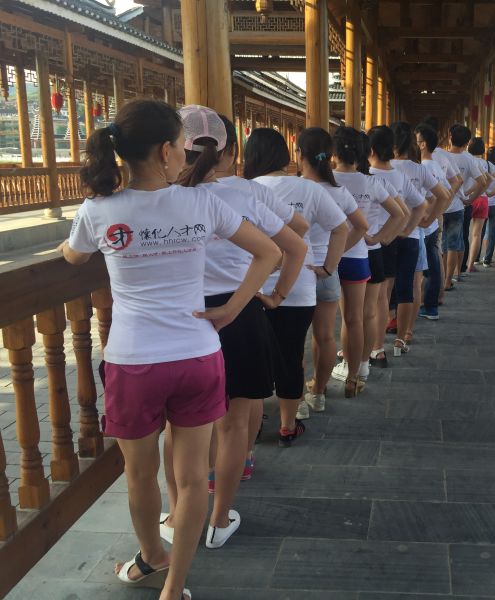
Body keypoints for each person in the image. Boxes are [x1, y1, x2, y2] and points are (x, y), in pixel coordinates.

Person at [59, 99, 280, 600]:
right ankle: (174, 587)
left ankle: (151, 557)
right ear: (164, 151)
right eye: (182, 145)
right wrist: (231, 309)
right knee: (193, 475)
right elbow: (269, 251)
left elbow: (73, 256)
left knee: (140, 475)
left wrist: (66, 248)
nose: (185, 154)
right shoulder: (200, 203)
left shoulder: (98, 210)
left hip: (133, 362)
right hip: (197, 355)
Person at [158, 107, 307, 552]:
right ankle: (219, 520)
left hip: (182, 319)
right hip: (240, 313)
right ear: (229, 150)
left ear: (172, 149)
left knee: (177, 426)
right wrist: (276, 295)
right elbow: (295, 245)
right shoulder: (244, 193)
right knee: (234, 425)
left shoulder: (160, 197)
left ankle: (175, 515)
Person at [212, 121, 310, 482]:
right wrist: (275, 280)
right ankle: (243, 459)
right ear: (231, 152)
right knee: (246, 397)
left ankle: (201, 483)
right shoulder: (247, 192)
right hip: (246, 299)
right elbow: (298, 233)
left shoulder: (176, 194)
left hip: (187, 311)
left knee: (196, 412)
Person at [245, 127, 348, 447]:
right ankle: (288, 425)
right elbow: (341, 228)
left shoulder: (246, 189)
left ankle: (252, 425)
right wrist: (328, 268)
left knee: (253, 357)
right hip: (300, 286)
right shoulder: (309, 189)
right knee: (291, 356)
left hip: (251, 286)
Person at [298, 127, 369, 410]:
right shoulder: (339, 191)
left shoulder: (296, 188)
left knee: (295, 339)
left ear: (300, 154)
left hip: (296, 271)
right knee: (326, 335)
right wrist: (334, 258)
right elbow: (361, 226)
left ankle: (296, 400)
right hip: (327, 272)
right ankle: (319, 392)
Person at [328, 126, 405, 390]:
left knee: (344, 319)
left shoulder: (326, 180)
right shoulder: (371, 182)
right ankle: (361, 366)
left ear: (334, 152)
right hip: (365, 253)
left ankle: (345, 366)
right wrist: (381, 238)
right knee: (366, 315)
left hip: (332, 255)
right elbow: (400, 214)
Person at [367, 125, 427, 356]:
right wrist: (408, 228)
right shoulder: (400, 176)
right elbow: (421, 204)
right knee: (406, 289)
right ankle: (401, 340)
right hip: (407, 238)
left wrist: (387, 235)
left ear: (370, 149)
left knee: (382, 295)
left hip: (382, 240)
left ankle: (377, 345)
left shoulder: (368, 176)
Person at [390, 121, 450, 332]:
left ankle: (384, 329)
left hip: (385, 234)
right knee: (413, 285)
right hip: (414, 233)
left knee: (385, 288)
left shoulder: (383, 169)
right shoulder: (419, 169)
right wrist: (428, 219)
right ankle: (406, 332)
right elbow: (443, 196)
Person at [414, 123, 452, 319]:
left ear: (423, 144)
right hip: (432, 224)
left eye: (416, 141)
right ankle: (431, 306)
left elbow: (431, 197)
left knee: (423, 269)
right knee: (434, 265)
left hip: (423, 225)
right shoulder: (435, 165)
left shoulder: (423, 168)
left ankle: (427, 305)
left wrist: (427, 217)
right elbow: (447, 193)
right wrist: (437, 215)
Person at [443, 125, 484, 290]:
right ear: (467, 142)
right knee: (454, 244)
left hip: (440, 206)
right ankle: (449, 280)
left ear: (449, 136)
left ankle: (441, 279)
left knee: (441, 245)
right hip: (458, 206)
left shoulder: (442, 156)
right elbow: (483, 181)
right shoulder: (469, 159)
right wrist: (470, 199)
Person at [465, 137, 491, 272]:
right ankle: (470, 265)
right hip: (482, 198)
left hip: (468, 199)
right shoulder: (485, 163)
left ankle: (459, 266)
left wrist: (468, 192)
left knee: (463, 233)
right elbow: (488, 180)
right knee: (476, 234)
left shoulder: (467, 160)